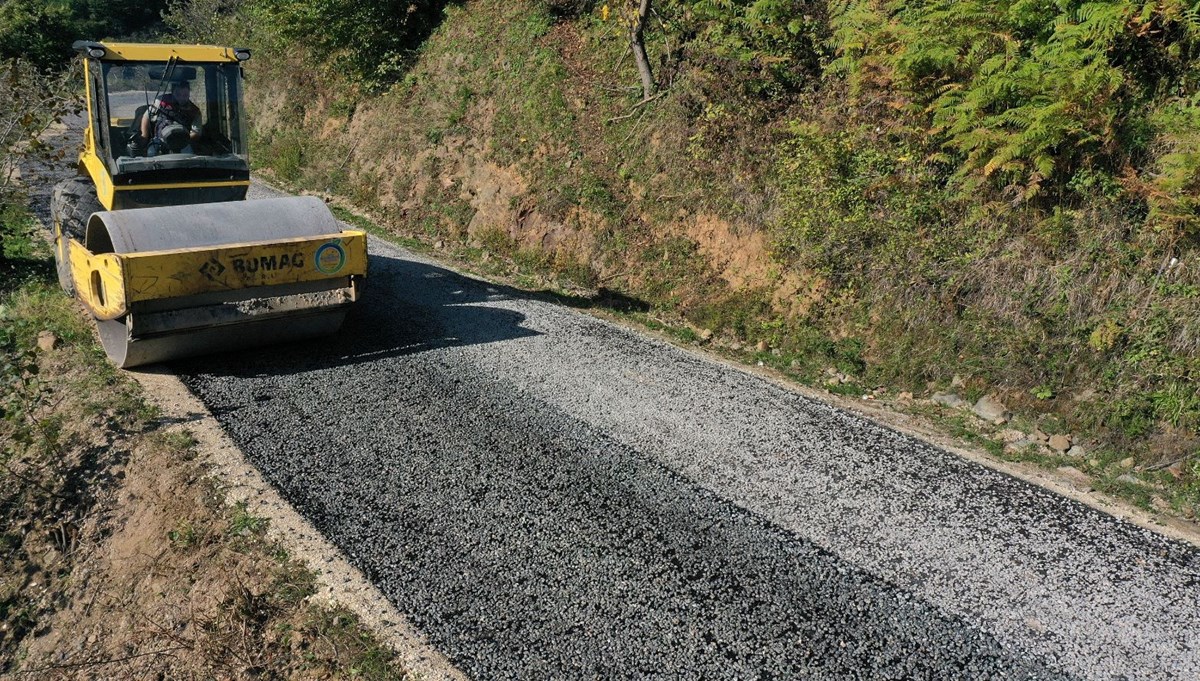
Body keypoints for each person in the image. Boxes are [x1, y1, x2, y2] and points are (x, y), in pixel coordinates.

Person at [140, 79, 202, 156]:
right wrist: (144, 136)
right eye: (178, 94)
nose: (181, 98)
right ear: (172, 92)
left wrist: (182, 140)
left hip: (183, 142)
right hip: (159, 140)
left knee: (188, 155)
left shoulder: (194, 111)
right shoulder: (161, 102)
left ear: (189, 94)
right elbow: (146, 117)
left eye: (185, 95)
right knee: (151, 152)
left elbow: (196, 133)